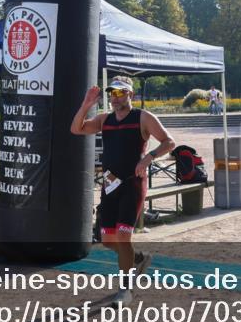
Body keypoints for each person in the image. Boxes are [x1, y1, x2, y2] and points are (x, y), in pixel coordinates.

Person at [71, 76, 175, 306]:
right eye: (112, 93)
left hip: (133, 184)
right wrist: (86, 104)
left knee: (123, 235)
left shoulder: (143, 118)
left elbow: (169, 142)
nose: (115, 97)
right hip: (110, 184)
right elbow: (76, 128)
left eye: (120, 93)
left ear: (131, 94)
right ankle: (138, 259)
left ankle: (125, 291)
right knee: (108, 240)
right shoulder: (104, 120)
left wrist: (148, 158)